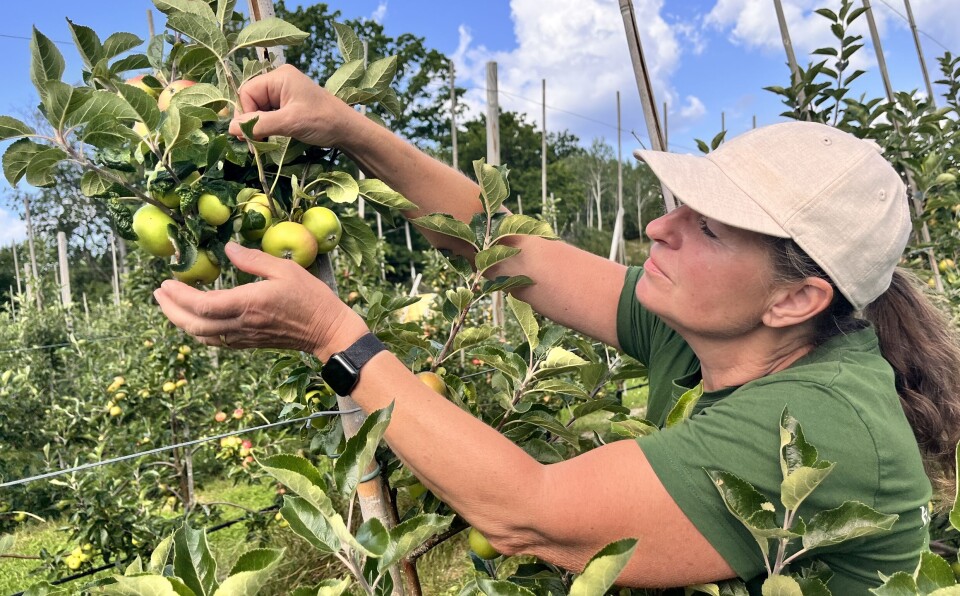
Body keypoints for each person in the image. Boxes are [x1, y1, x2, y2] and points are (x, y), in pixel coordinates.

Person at [153, 64, 960, 594]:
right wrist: (349, 129)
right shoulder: (719, 328)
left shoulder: (815, 429)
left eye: (708, 230)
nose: (657, 227)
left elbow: (527, 512)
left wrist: (336, 336)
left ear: (796, 299)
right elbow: (502, 249)